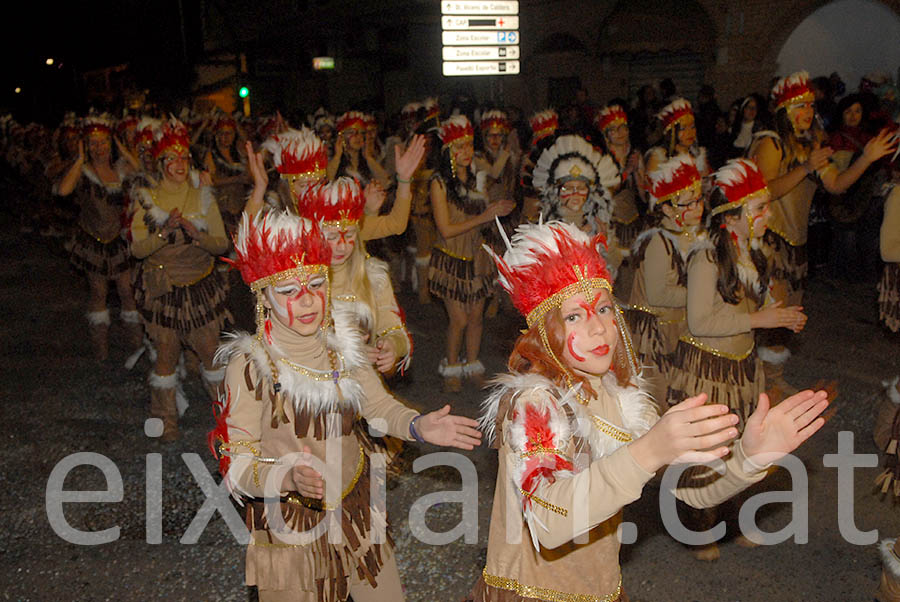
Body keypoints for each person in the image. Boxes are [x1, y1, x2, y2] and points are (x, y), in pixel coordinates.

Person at [468, 219, 829, 601]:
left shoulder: (621, 396)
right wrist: (649, 450)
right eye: (574, 316)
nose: (599, 328)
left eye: (604, 309)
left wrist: (749, 459)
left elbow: (690, 491)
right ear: (544, 331)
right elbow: (549, 523)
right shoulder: (534, 404)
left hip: (601, 588)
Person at [211, 211, 482, 602]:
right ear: (263, 296)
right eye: (288, 290)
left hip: (356, 506)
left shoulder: (343, 341)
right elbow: (237, 468)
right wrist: (287, 479)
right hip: (291, 529)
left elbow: (378, 406)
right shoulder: (251, 365)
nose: (307, 300)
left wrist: (418, 426)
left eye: (317, 284)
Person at [667, 158, 807, 559]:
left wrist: (780, 312)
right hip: (706, 370)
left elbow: (753, 302)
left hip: (742, 368)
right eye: (759, 208)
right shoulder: (706, 256)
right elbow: (700, 320)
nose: (768, 215)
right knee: (705, 456)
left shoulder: (751, 251)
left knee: (743, 448)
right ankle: (700, 530)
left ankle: (737, 521)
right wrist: (762, 317)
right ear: (733, 216)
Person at [749, 71, 896, 390]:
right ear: (784, 111)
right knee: (772, 314)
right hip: (770, 243)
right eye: (800, 106)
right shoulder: (770, 143)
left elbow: (836, 184)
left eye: (811, 106)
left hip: (797, 247)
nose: (808, 113)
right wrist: (805, 168)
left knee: (788, 316)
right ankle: (761, 385)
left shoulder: (812, 145)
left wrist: (867, 158)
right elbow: (762, 192)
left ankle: (772, 379)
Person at [130, 117, 231, 441]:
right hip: (164, 291)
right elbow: (136, 249)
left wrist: (195, 235)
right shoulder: (147, 197)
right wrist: (164, 233)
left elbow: (222, 244)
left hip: (200, 288)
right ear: (161, 164)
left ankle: (230, 420)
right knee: (166, 356)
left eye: (184, 157)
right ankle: (166, 421)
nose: (179, 164)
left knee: (211, 354)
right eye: (171, 159)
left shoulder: (202, 197)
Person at [428, 115, 514, 391]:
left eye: (468, 146)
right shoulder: (439, 184)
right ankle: (451, 366)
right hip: (452, 259)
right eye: (458, 148)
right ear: (447, 152)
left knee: (476, 317)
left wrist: (498, 210)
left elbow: (486, 212)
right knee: (460, 318)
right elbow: (446, 229)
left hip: (477, 257)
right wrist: (484, 216)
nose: (465, 153)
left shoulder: (478, 177)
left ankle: (473, 364)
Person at [57, 113, 140, 360]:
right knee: (99, 291)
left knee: (127, 290)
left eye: (103, 142)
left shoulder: (121, 169)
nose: (99, 148)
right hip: (93, 240)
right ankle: (101, 350)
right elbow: (63, 191)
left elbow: (140, 171)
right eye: (93, 143)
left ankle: (136, 345)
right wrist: (80, 158)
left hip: (118, 241)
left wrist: (122, 147)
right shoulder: (83, 171)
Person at [626, 154, 705, 408]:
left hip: (678, 326)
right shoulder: (658, 243)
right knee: (658, 397)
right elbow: (659, 295)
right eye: (688, 204)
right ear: (668, 209)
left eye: (699, 200)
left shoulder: (691, 235)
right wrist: (704, 294)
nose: (698, 207)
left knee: (681, 392)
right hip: (655, 335)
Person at [531, 134, 619, 266]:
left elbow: (615, 263)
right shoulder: (546, 225)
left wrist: (605, 241)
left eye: (581, 188)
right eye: (568, 188)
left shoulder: (598, 221)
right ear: (556, 192)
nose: (575, 194)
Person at [595, 104, 646, 260]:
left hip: (633, 220)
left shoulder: (634, 155)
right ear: (606, 134)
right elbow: (605, 193)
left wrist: (637, 171)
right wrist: (627, 171)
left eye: (623, 127)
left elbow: (644, 196)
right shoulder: (601, 158)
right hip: (610, 222)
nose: (620, 133)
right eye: (614, 129)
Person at [645, 98, 709, 179]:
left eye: (692, 127)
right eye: (683, 128)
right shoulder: (659, 157)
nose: (690, 132)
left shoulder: (698, 156)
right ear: (672, 133)